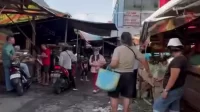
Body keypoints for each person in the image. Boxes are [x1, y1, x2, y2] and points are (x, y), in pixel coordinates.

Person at [108, 32, 151, 112]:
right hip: (129, 76)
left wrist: (109, 66)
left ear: (121, 39)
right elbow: (144, 60)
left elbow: (114, 63)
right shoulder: (134, 49)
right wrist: (148, 71)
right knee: (126, 98)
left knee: (114, 97)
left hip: (116, 75)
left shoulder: (118, 49)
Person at [153, 38, 188, 112]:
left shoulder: (177, 60)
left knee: (157, 106)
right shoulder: (183, 58)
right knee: (174, 107)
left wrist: (166, 90)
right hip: (179, 88)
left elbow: (173, 77)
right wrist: (163, 78)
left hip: (173, 89)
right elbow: (176, 75)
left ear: (171, 49)